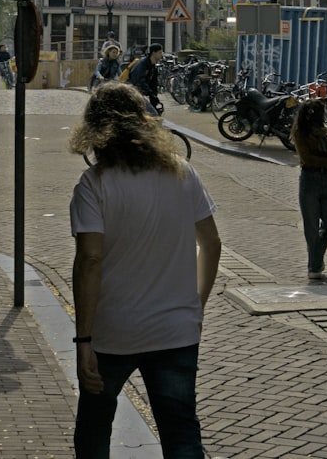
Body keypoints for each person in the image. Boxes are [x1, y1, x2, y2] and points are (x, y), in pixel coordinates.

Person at [68, 83, 222, 458]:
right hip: (175, 329)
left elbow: (90, 260)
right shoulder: (183, 173)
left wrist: (83, 341)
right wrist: (195, 304)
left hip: (113, 331)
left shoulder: (94, 185)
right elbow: (212, 244)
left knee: (94, 429)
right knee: (181, 432)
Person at [291, 99, 327, 280]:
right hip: (310, 181)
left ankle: (316, 259)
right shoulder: (301, 133)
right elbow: (307, 158)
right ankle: (314, 266)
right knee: (311, 227)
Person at [129, 42, 164, 115]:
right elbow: (139, 81)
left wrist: (154, 97)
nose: (162, 55)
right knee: (153, 114)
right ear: (154, 53)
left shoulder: (153, 66)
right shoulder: (142, 64)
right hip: (132, 92)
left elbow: (154, 84)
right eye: (160, 52)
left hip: (139, 93)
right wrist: (150, 94)